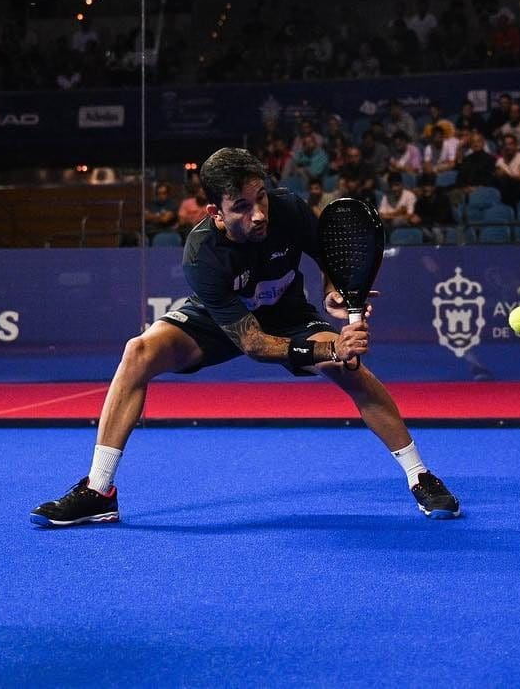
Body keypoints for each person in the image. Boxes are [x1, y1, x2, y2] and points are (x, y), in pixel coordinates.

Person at [31, 148, 461, 526]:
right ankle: (99, 491)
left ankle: (420, 474)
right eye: (241, 207)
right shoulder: (202, 256)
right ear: (214, 212)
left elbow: (327, 254)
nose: (258, 214)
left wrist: (333, 293)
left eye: (260, 199)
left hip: (290, 315)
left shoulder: (287, 208)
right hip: (227, 322)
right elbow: (254, 345)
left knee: (350, 370)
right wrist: (331, 343)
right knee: (138, 351)